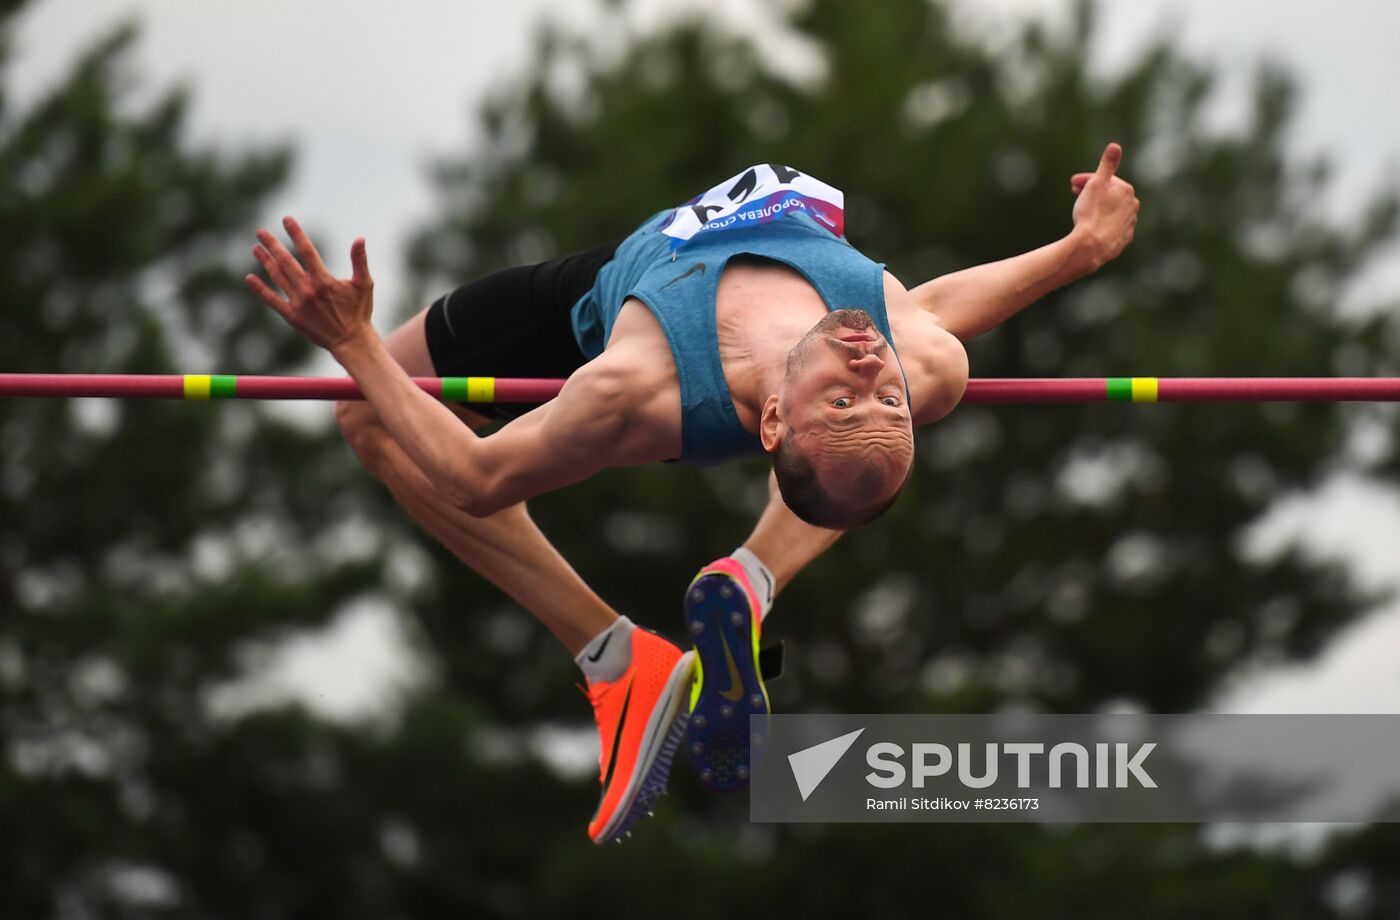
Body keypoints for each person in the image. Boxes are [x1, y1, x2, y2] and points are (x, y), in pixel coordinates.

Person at [245, 143, 1139, 844]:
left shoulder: (631, 389)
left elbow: (473, 478)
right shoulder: (917, 357)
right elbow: (943, 303)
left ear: (776, 423)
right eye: (882, 395)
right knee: (864, 450)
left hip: (602, 300)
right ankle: (748, 581)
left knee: (369, 419)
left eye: (846, 395)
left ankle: (612, 655)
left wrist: (355, 344)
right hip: (722, 296)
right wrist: (1081, 248)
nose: (870, 369)